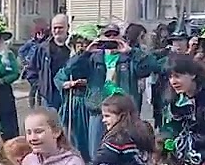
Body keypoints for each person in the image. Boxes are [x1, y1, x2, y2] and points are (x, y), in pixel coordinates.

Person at [58, 22, 163, 154]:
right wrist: (86, 53)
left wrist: (132, 52)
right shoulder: (93, 58)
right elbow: (70, 70)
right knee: (97, 153)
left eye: (115, 35)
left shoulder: (129, 57)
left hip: (124, 113)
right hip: (99, 110)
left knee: (126, 152)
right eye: (108, 35)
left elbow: (152, 66)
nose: (111, 39)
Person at [56, 27, 95, 159]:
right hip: (72, 102)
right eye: (79, 43)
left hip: (87, 102)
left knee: (87, 136)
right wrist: (67, 84)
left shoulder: (95, 60)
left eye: (85, 43)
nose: (82, 47)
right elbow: (60, 76)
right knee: (70, 133)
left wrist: (88, 83)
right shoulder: (71, 61)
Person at [26, 14, 73, 111]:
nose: (57, 31)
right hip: (50, 97)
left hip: (70, 95)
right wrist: (41, 86)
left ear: (67, 27)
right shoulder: (43, 49)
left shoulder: (73, 48)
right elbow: (32, 70)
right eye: (54, 28)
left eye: (60, 27)